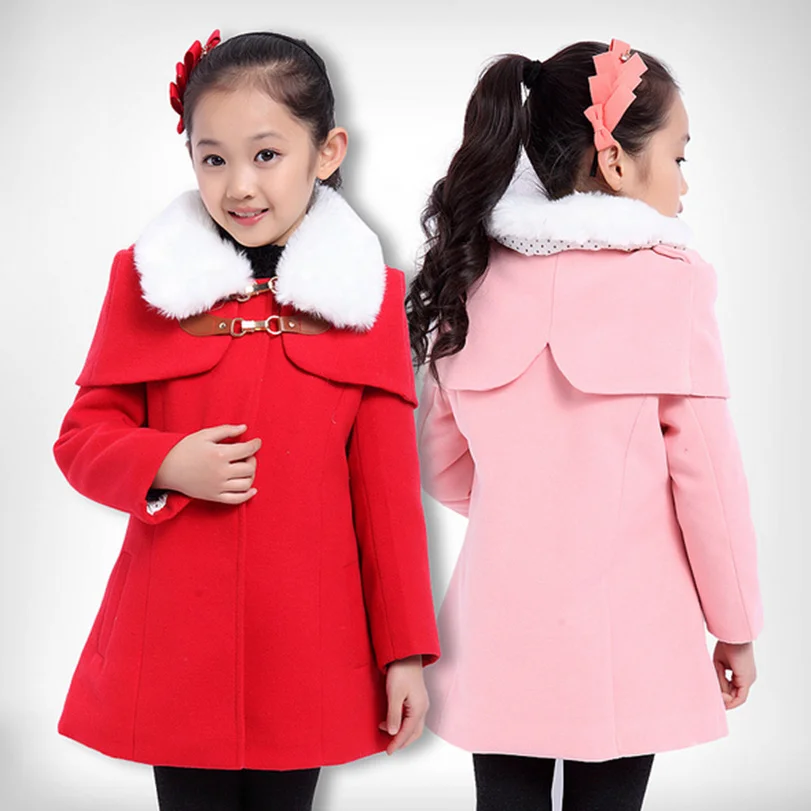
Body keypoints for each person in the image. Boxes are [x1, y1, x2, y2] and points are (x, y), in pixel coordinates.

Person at [54, 29, 439, 811]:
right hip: (174, 639)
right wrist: (163, 462)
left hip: (308, 645)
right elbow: (82, 438)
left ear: (326, 152)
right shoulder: (146, 282)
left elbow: (388, 501)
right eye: (213, 158)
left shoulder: (366, 298)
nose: (238, 185)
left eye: (266, 154)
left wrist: (404, 653)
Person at [408, 39, 762, 811]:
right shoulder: (671, 283)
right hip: (629, 628)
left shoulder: (472, 274)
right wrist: (733, 623)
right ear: (614, 161)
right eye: (677, 157)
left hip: (498, 623)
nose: (682, 182)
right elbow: (708, 478)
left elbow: (441, 463)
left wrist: (523, 508)